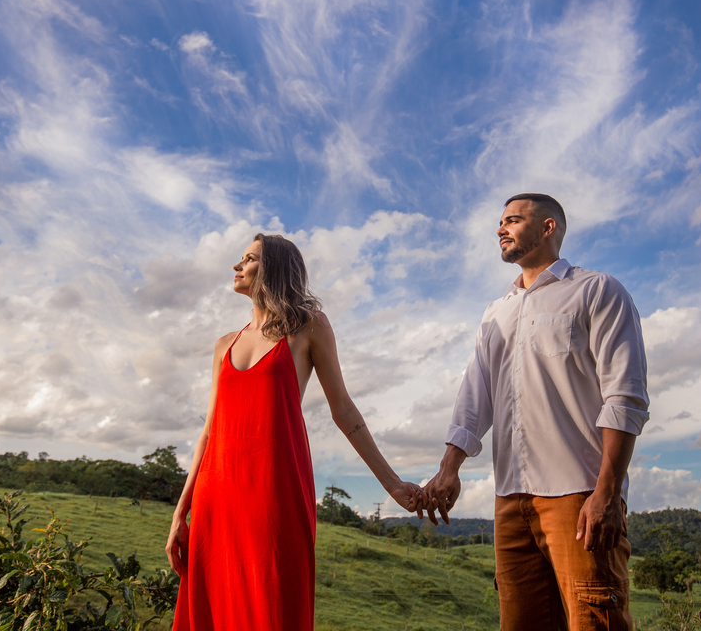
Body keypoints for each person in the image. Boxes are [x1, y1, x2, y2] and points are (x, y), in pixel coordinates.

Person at [166, 233, 423, 630]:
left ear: (273, 269)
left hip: (274, 489)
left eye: (248, 259)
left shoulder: (309, 327)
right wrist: (181, 514)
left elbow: (344, 410)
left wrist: (391, 483)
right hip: (216, 496)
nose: (237, 266)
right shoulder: (223, 345)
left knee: (274, 605)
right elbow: (209, 432)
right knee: (214, 608)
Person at [421, 193, 650, 631]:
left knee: (594, 619)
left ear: (548, 228)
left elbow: (625, 397)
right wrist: (449, 468)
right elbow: (475, 396)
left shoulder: (597, 291)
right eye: (500, 222)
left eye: (513, 220)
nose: (500, 229)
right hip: (510, 501)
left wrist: (606, 492)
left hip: (579, 496)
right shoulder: (496, 312)